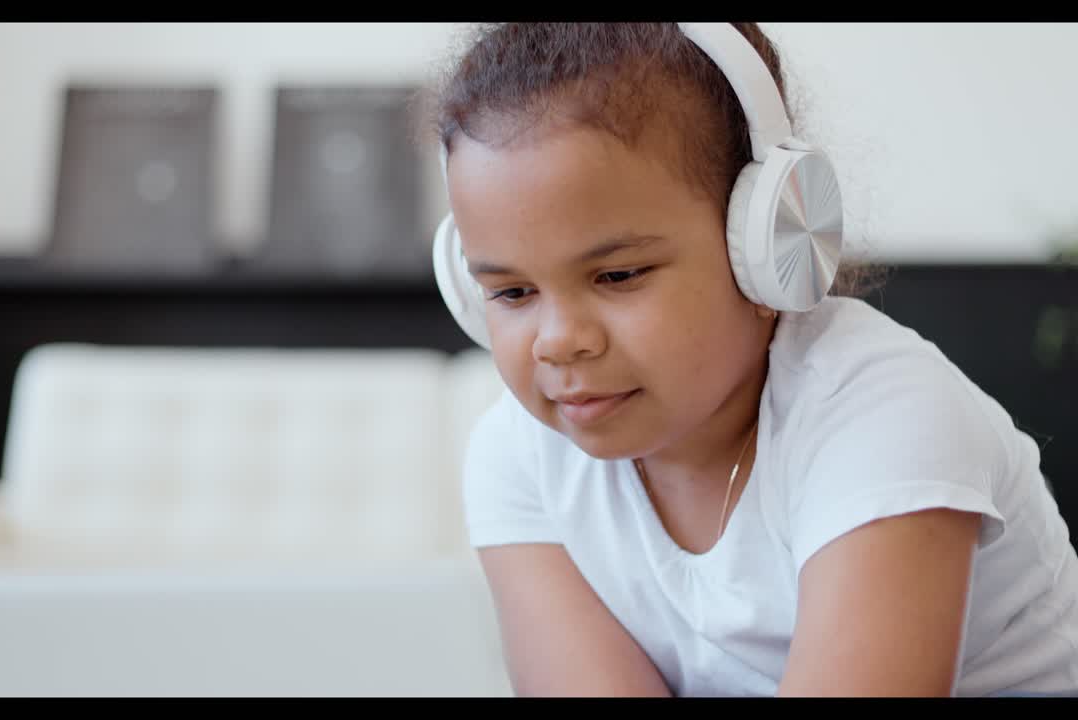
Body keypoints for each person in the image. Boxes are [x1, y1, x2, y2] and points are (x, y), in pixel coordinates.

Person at [419, 22, 1078, 697]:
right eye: (511, 292)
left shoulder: (886, 417)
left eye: (617, 276)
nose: (558, 340)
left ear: (772, 246)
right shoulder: (518, 455)